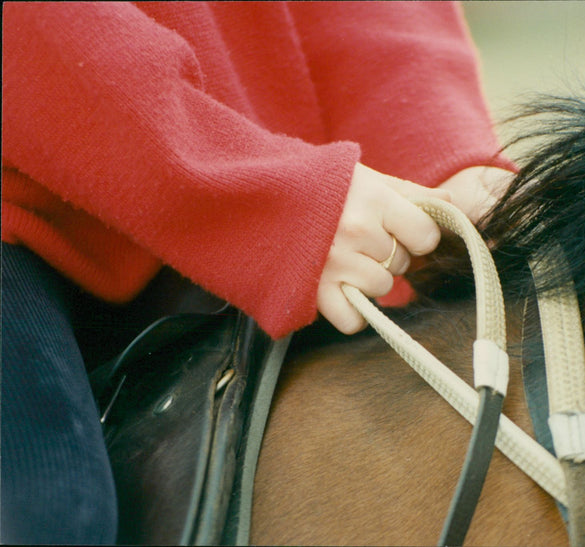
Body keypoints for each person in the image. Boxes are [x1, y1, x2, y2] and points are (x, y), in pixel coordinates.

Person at [1, 2, 515, 544]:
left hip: (276, 193)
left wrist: (440, 161)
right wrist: (250, 188)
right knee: (50, 513)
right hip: (29, 208)